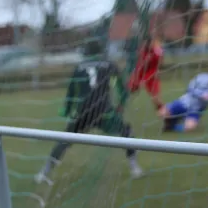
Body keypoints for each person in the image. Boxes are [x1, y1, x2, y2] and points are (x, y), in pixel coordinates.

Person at [35, 40, 144, 185]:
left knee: (64, 140)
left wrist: (67, 110)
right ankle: (134, 167)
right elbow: (122, 88)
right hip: (104, 111)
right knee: (126, 132)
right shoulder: (109, 64)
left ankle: (44, 172)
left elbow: (71, 92)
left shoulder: (79, 67)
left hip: (83, 112)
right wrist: (121, 105)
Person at [160, 68, 208, 133]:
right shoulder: (201, 77)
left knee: (189, 128)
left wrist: (206, 97)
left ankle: (173, 127)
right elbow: (189, 88)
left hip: (195, 109)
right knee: (162, 112)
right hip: (184, 102)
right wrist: (201, 94)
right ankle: (173, 121)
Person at [128, 36, 164, 110]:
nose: (146, 44)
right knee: (130, 88)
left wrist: (159, 69)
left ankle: (165, 112)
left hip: (152, 73)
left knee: (156, 99)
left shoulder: (157, 51)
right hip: (140, 73)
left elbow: (161, 60)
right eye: (145, 43)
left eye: (149, 43)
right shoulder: (142, 51)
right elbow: (140, 63)